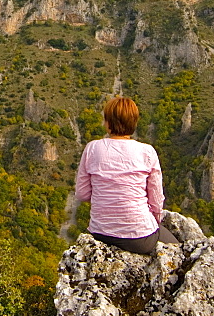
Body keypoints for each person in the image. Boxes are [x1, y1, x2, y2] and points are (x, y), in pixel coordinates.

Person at [75, 95, 179, 254]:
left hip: (100, 234)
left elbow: (82, 194)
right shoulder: (147, 152)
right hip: (139, 237)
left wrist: (106, 196)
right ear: (134, 123)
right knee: (179, 251)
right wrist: (155, 221)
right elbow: (156, 199)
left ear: (108, 123)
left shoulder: (92, 148)